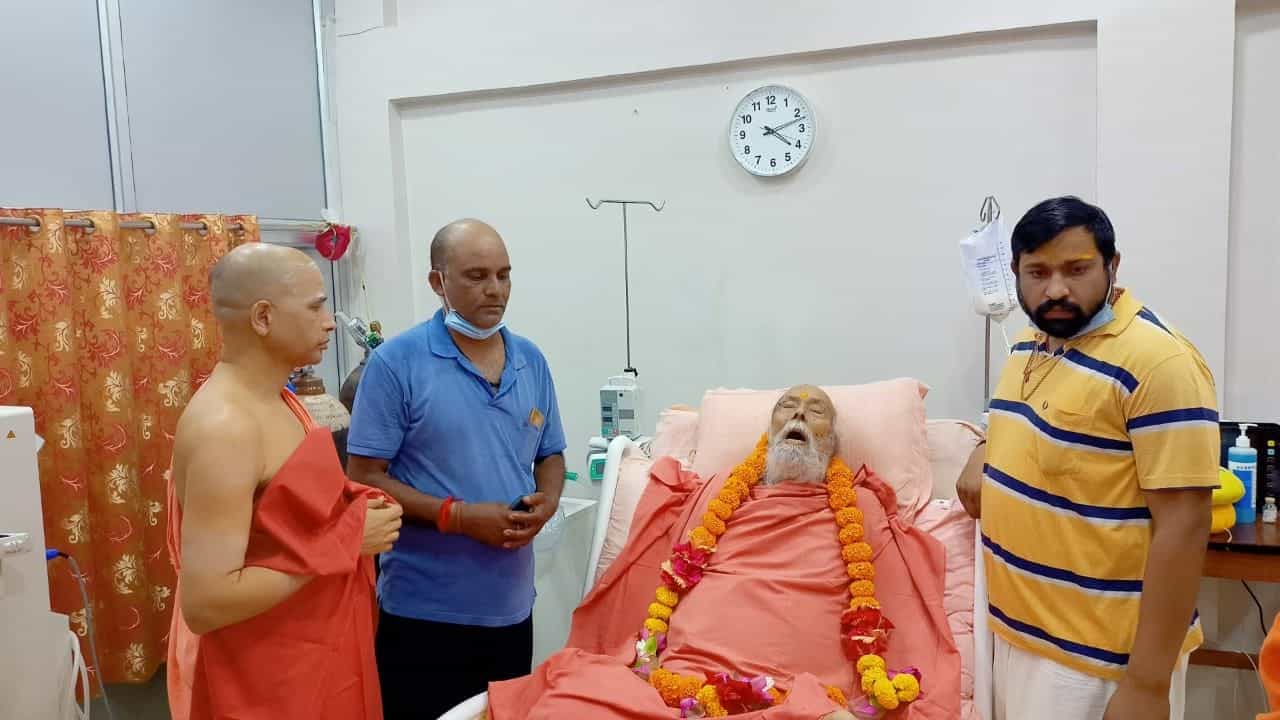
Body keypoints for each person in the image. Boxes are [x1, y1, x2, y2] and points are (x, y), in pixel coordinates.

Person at [484, 385, 960, 719]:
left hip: (801, 686)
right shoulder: (715, 491)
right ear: (768, 431)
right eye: (788, 406)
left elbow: (894, 602)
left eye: (815, 411)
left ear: (831, 440)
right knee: (568, 699)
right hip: (685, 676)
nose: (798, 415)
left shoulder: (861, 505)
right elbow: (665, 571)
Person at [956, 197, 1218, 720]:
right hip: (1018, 634)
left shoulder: (1158, 363)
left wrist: (1146, 684)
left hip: (1096, 664)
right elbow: (1031, 423)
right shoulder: (1033, 340)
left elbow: (1185, 526)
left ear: (1112, 265)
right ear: (1016, 273)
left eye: (1076, 270)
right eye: (1038, 272)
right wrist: (984, 450)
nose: (1055, 289)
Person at [165, 243, 403, 720]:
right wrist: (345, 541)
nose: (330, 323)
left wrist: (356, 508)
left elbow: (292, 521)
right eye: (315, 307)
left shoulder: (279, 400)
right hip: (264, 681)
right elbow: (208, 601)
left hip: (316, 655)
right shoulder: (225, 426)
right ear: (263, 317)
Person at [346, 218, 568, 719]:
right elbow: (363, 477)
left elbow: (550, 452)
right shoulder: (396, 364)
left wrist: (548, 501)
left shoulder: (529, 360)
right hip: (425, 613)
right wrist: (458, 517)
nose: (495, 290)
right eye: (476, 276)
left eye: (504, 275)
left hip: (511, 607)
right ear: (437, 282)